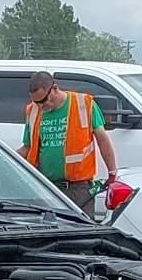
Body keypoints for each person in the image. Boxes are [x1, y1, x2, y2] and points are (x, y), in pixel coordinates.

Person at [18, 70, 115, 213]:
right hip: (46, 187)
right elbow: (27, 147)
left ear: (55, 88)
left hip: (79, 189)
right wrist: (4, 159)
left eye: (43, 101)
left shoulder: (83, 104)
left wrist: (112, 172)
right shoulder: (33, 111)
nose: (40, 106)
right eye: (36, 102)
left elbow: (103, 139)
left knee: (80, 232)